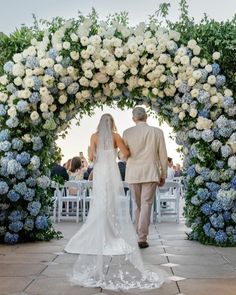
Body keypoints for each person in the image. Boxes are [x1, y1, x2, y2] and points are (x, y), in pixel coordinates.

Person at [65, 113, 166, 290]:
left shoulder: (94, 137)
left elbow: (91, 157)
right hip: (112, 172)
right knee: (114, 203)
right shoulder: (116, 136)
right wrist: (120, 151)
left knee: (99, 203)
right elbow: (125, 153)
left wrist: (99, 157)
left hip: (101, 172)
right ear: (112, 123)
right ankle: (121, 234)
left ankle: (100, 233)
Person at [122, 107, 168, 249]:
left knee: (137, 204)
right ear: (146, 116)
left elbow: (124, 155)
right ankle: (142, 236)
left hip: (133, 173)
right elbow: (163, 155)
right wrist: (163, 174)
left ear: (133, 118)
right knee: (146, 204)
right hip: (150, 172)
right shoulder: (157, 132)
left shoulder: (127, 133)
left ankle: (140, 233)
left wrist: (120, 156)